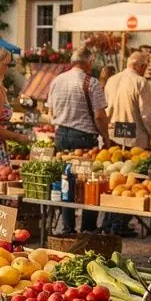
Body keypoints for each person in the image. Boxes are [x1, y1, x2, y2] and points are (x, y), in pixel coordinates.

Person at [47, 49, 111, 235]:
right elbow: (99, 116)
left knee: (67, 179)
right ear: (89, 62)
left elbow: (50, 111)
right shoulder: (91, 83)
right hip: (83, 137)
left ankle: (68, 227)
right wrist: (105, 138)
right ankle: (88, 227)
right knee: (87, 181)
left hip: (61, 135)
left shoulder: (57, 80)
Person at [106, 52, 151, 150]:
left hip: (113, 137)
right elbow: (146, 115)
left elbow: (106, 109)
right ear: (142, 66)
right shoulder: (141, 82)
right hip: (135, 141)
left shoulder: (111, 80)